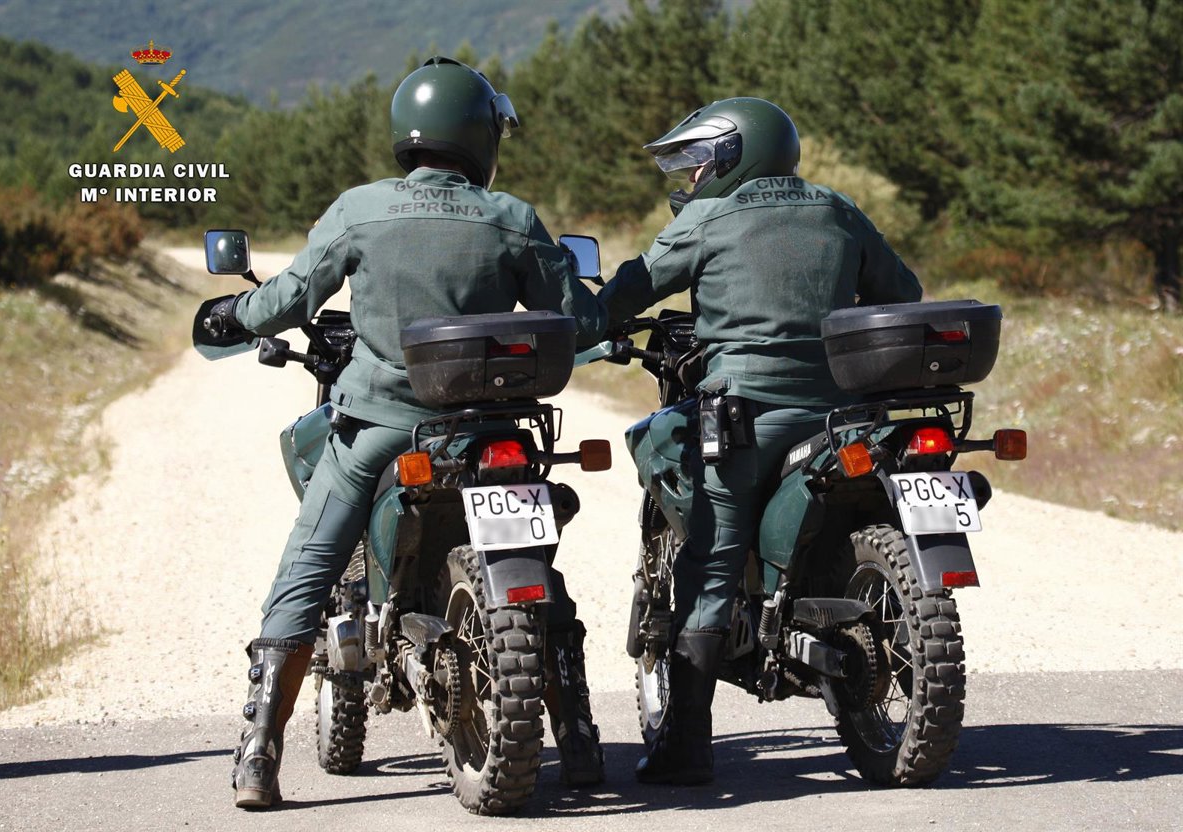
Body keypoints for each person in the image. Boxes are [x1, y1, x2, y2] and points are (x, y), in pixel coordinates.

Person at [203, 56, 608, 809]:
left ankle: (259, 750)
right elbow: (581, 321)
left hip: (380, 431)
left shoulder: (360, 209)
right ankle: (579, 737)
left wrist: (235, 314)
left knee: (309, 566)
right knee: (539, 570)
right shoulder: (513, 218)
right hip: (489, 433)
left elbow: (289, 297)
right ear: (480, 136)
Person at [597, 97, 923, 785]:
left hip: (747, 415)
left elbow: (629, 291)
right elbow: (903, 291)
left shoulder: (710, 218)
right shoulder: (837, 209)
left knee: (710, 565)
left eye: (697, 164)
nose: (691, 178)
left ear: (731, 157)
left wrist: (583, 322)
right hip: (843, 417)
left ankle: (686, 746)